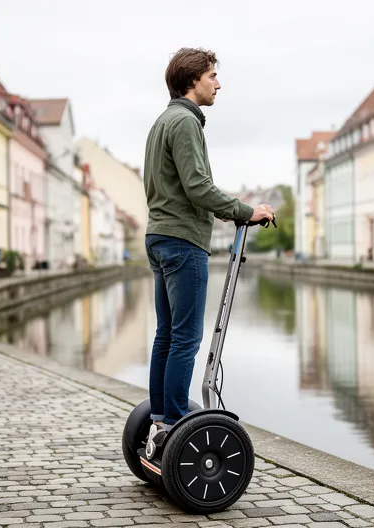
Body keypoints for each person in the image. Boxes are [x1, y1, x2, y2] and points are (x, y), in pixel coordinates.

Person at [141, 47, 275, 458]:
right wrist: (245, 211)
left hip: (159, 237)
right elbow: (198, 187)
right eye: (212, 75)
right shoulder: (185, 122)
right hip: (182, 241)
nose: (218, 83)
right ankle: (175, 425)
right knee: (185, 337)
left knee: (166, 335)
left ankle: (161, 420)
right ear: (192, 80)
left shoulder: (162, 121)